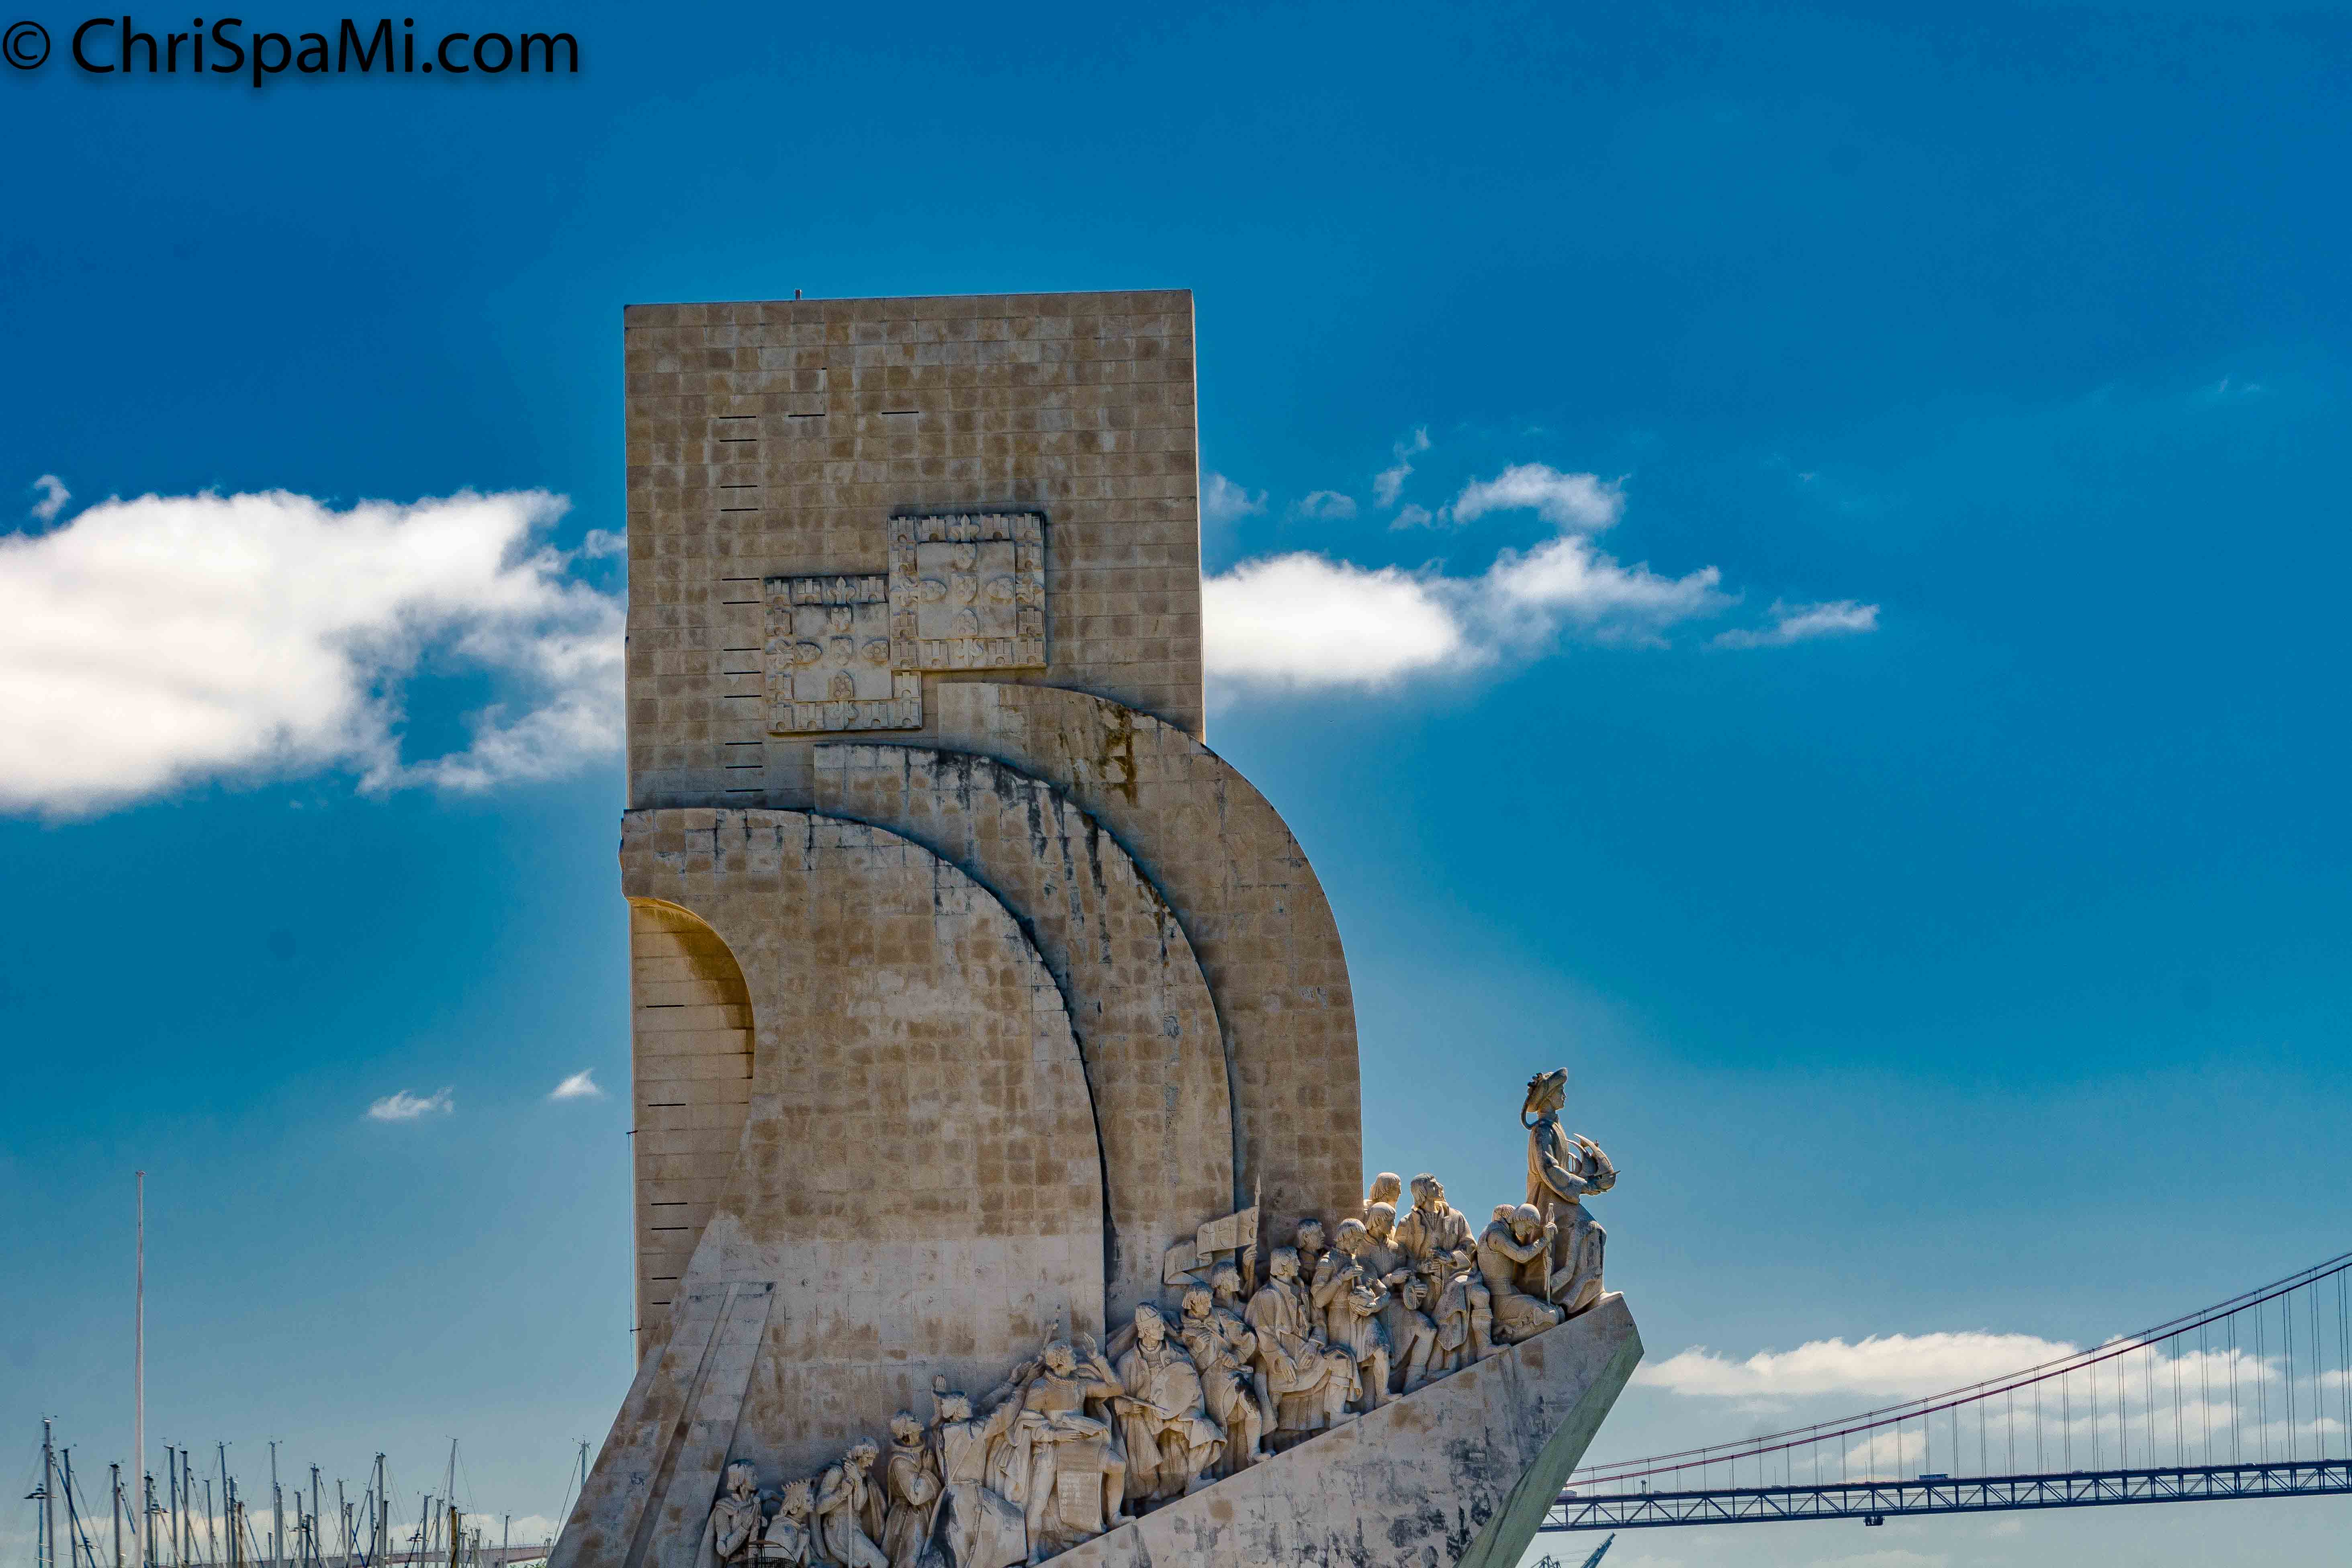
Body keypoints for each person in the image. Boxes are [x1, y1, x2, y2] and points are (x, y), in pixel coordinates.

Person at [1013, 1338, 1129, 1562]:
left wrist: (1098, 1359)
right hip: (1051, 1449)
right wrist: (1056, 1435)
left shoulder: (1079, 1384)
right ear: (1059, 1360)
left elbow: (1117, 1388)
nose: (1076, 1356)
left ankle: (1114, 1516)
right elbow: (1027, 1425)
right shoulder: (1041, 1387)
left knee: (1118, 1466)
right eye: (1071, 1354)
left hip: (1080, 1445)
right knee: (1038, 1502)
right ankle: (1033, 1553)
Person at [1523, 1069, 1617, 1316]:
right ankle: (1581, 1298)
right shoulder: (1542, 1130)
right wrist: (1584, 1185)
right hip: (1549, 1201)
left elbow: (1561, 1169)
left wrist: (1587, 1177)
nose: (1565, 1095)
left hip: (1561, 1197)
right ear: (1549, 1097)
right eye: (1561, 1091)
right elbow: (1549, 1169)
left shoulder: (1555, 1128)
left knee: (1595, 1233)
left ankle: (1588, 1294)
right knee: (1593, 1231)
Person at [1111, 1304, 1224, 1504]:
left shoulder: (1177, 1354)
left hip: (1177, 1413)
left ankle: (1193, 1480)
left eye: (1162, 1324)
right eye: (1158, 1326)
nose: (1163, 1329)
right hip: (1145, 1417)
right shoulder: (1127, 1362)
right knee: (1138, 1432)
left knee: (1206, 1430)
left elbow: (1192, 1383)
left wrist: (1184, 1405)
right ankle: (1147, 1490)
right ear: (1146, 1331)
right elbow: (1115, 1398)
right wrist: (1128, 1407)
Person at [1177, 1281, 1264, 1475]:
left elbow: (1249, 1337)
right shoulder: (1180, 1329)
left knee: (1251, 1401)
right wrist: (1196, 1350)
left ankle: (1254, 1452)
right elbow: (1179, 1367)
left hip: (1230, 1373)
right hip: (1205, 1384)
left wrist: (1237, 1356)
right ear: (1191, 1303)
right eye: (1203, 1302)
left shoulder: (1221, 1317)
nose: (1209, 1305)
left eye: (1209, 1300)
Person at [1361, 1201, 1436, 1393]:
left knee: (1428, 1330)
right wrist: (1391, 1279)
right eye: (1389, 1221)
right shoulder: (1360, 1248)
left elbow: (1411, 1272)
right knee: (1384, 1353)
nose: (1392, 1225)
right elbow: (1362, 1285)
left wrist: (1414, 1288)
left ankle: (1413, 1380)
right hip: (1377, 1308)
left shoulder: (1396, 1248)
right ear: (1378, 1221)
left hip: (1399, 1306)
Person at [1322, 1220, 1393, 1411]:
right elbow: (1319, 1299)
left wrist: (1374, 1306)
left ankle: (1383, 1395)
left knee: (1382, 1350)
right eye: (1356, 1239)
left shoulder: (1362, 1263)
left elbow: (1385, 1293)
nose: (1359, 1243)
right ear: (1345, 1236)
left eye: (1361, 1239)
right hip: (1340, 1318)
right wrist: (1340, 1278)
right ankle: (1338, 1410)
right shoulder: (1327, 1262)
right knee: (1345, 1363)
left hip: (1364, 1316)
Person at [1479, 1204, 1565, 1345]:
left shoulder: (1509, 1235)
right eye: (1529, 1226)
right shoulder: (1496, 1235)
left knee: (1559, 1314)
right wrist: (1545, 1240)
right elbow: (1521, 1256)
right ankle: (1503, 1339)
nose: (1529, 1231)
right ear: (1520, 1218)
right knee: (1550, 1318)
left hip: (1510, 1293)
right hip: (1499, 1299)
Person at [880, 1413, 942, 1568]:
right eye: (914, 1421)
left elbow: (937, 1435)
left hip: (928, 1511)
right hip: (909, 1516)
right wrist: (927, 1470)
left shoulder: (922, 1445)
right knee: (911, 1559)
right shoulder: (900, 1462)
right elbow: (916, 1497)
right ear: (907, 1430)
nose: (919, 1420)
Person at [814, 1443, 890, 1568]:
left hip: (854, 1527)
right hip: (839, 1530)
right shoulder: (837, 1473)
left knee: (881, 1564)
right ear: (859, 1456)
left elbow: (858, 1505)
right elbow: (820, 1507)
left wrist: (858, 1481)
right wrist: (842, 1493)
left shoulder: (861, 1477)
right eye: (868, 1459)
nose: (871, 1464)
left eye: (873, 1459)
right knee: (881, 1563)